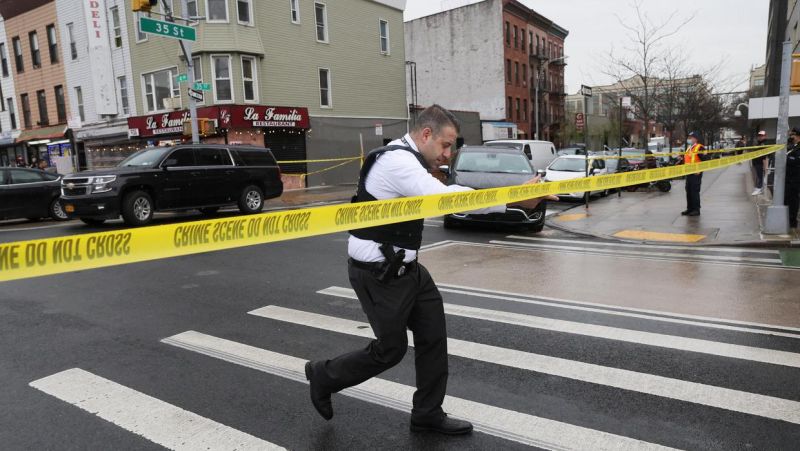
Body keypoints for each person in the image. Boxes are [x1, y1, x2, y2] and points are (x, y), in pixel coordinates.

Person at [304, 105, 555, 435]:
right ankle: (324, 375)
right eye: (446, 145)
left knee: (433, 338)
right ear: (425, 135)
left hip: (408, 270)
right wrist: (515, 198)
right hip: (379, 273)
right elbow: (445, 199)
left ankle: (427, 413)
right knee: (389, 351)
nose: (448, 155)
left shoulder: (410, 160)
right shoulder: (397, 161)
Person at [680, 131, 706, 216]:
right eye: (689, 137)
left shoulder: (700, 148)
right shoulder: (689, 147)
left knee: (694, 191)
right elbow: (687, 160)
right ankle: (690, 208)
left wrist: (699, 170)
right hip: (689, 173)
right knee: (688, 191)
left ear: (696, 138)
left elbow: (705, 160)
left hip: (696, 174)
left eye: (691, 137)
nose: (689, 139)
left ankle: (696, 209)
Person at [752, 131, 774, 195]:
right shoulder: (758, 143)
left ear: (765, 136)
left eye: (762, 135)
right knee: (759, 176)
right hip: (757, 163)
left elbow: (767, 155)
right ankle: (759, 187)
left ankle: (760, 188)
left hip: (762, 163)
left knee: (762, 176)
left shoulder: (766, 143)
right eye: (759, 135)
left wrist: (766, 164)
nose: (760, 137)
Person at [786, 128, 800, 230]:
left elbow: (795, 162)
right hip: (788, 179)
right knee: (787, 200)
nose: (791, 137)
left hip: (795, 180)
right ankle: (788, 219)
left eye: (793, 135)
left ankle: (793, 222)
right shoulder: (791, 146)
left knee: (793, 201)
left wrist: (788, 159)